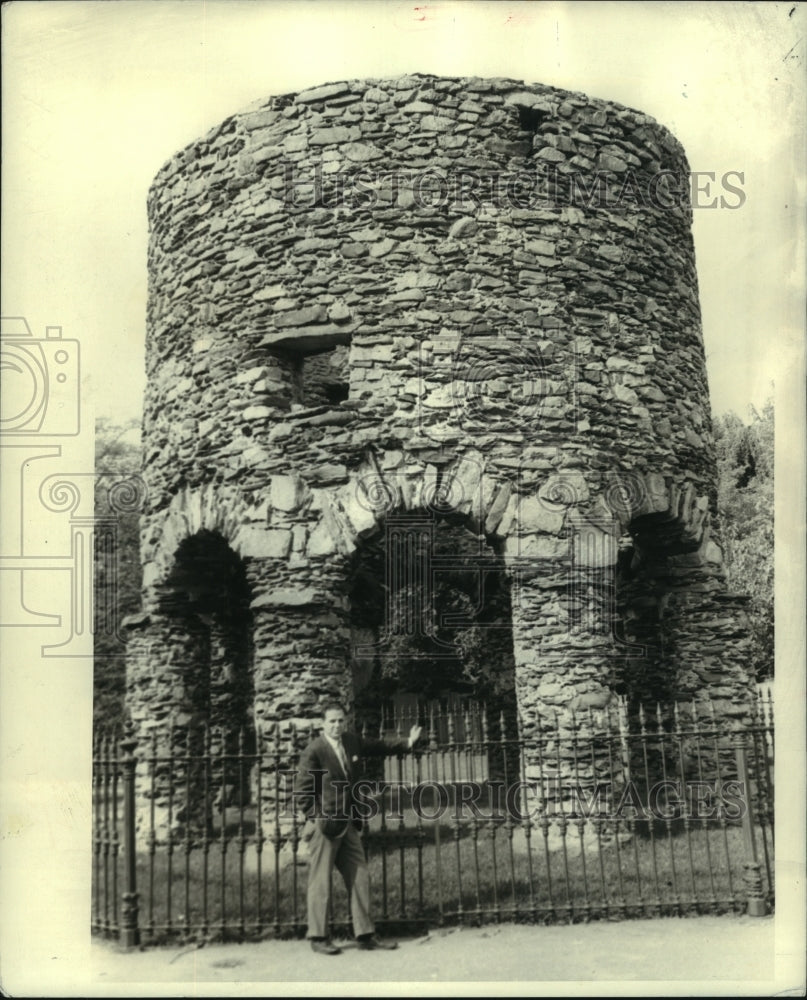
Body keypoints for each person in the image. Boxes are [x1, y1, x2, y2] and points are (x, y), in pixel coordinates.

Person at [296, 701, 422, 955]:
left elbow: (379, 746)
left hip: (349, 824)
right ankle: (318, 937)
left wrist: (407, 742)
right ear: (323, 724)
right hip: (326, 828)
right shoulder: (315, 751)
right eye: (332, 721)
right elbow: (303, 793)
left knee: (360, 876)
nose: (337, 725)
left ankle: (365, 934)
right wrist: (319, 818)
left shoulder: (351, 742)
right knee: (320, 881)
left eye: (340, 720)